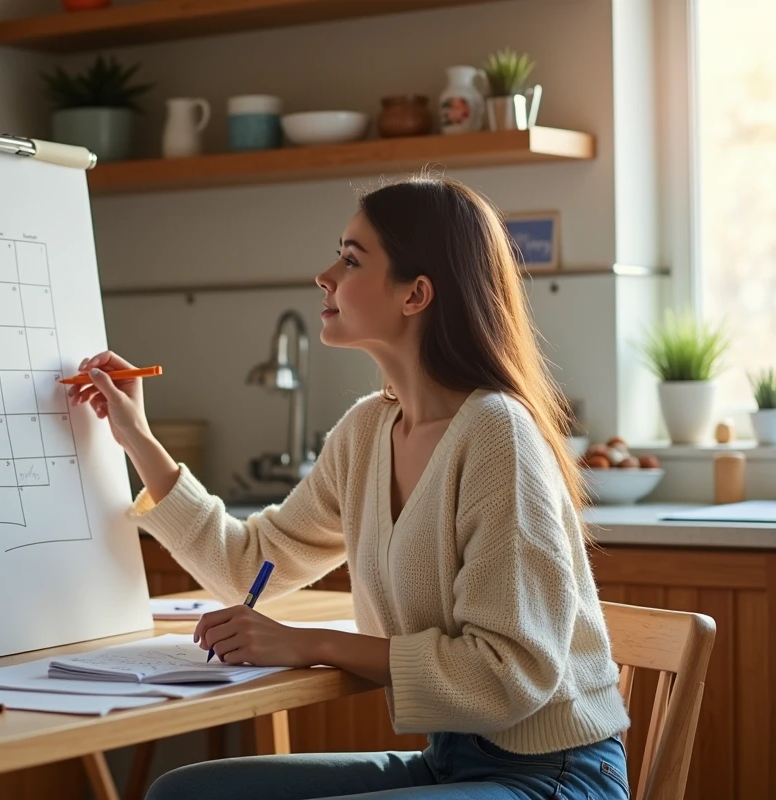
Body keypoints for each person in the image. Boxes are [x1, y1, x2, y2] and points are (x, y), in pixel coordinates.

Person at [69, 176, 631, 800]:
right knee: (183, 794)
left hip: (554, 777)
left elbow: (508, 675)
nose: (325, 274)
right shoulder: (368, 431)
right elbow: (249, 565)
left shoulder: (499, 434)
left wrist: (306, 643)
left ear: (416, 294)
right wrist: (138, 438)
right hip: (451, 764)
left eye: (351, 259)